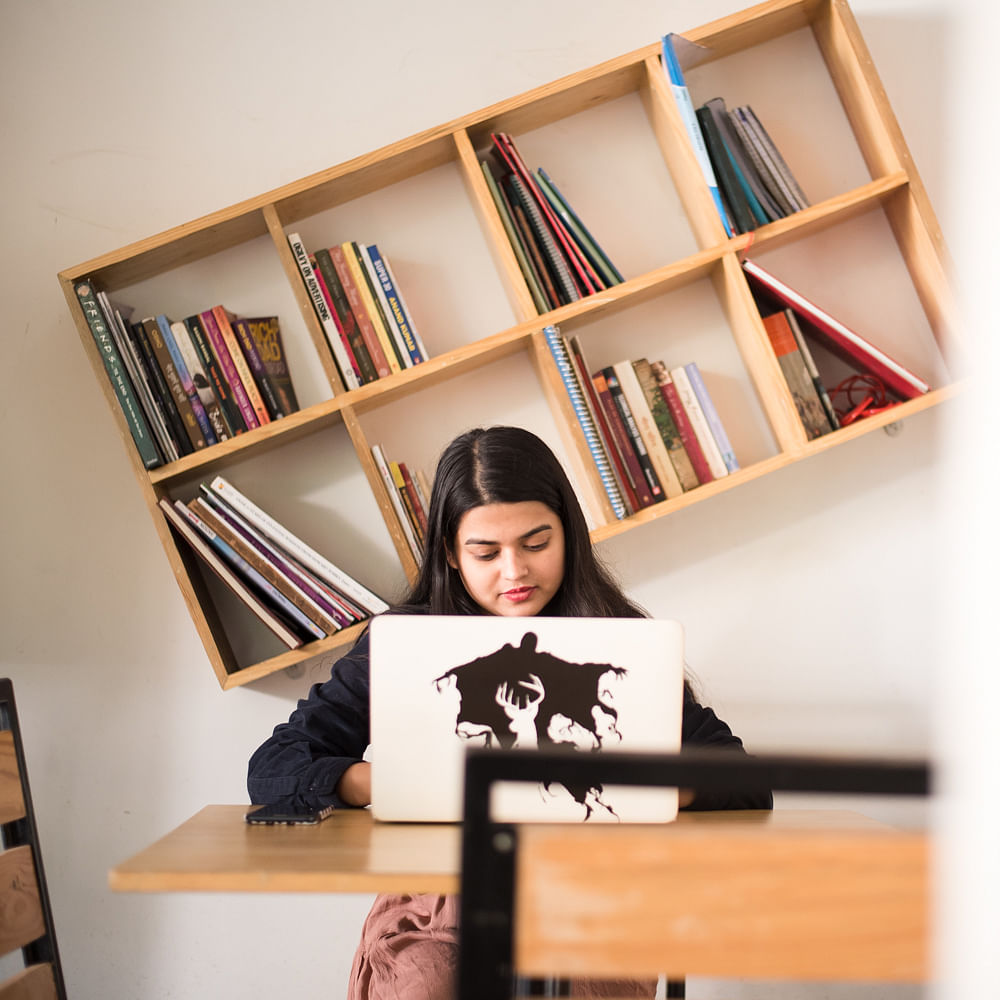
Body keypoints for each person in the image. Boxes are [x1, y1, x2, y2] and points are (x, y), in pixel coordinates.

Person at [248, 425, 772, 1000]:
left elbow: (741, 778)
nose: (514, 571)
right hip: (439, 907)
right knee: (433, 982)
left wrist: (646, 791)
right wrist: (385, 782)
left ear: (567, 536)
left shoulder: (616, 644)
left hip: (596, 905)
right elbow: (273, 766)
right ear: (450, 552)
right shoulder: (404, 645)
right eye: (485, 552)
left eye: (536, 543)